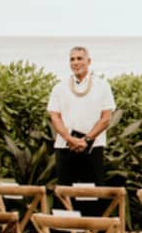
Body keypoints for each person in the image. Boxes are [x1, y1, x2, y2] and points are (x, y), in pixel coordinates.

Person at [46, 46, 115, 216]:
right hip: (65, 147)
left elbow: (106, 118)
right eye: (72, 59)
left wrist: (86, 140)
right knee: (65, 193)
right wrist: (70, 139)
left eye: (79, 58)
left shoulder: (102, 85)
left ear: (88, 61)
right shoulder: (59, 87)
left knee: (93, 193)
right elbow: (55, 116)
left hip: (93, 147)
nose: (76, 62)